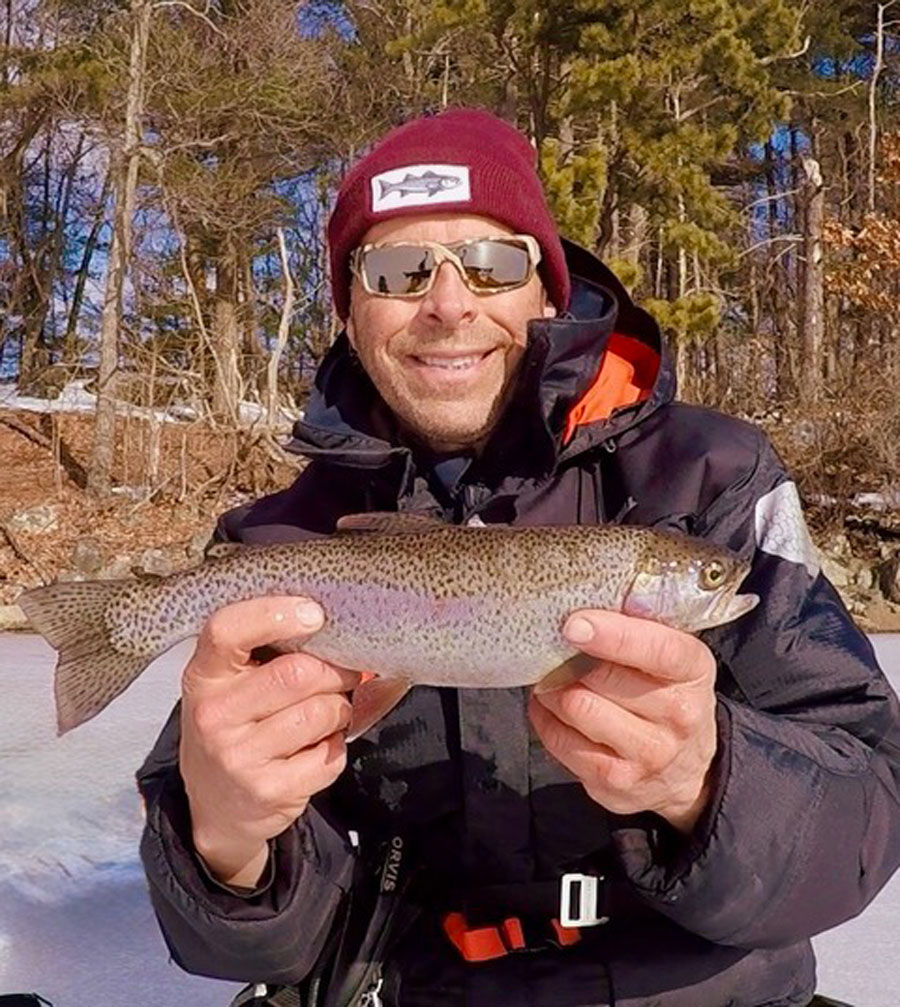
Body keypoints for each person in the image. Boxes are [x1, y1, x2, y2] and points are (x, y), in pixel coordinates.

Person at [136, 108, 900, 1007]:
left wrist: (707, 776)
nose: (449, 303)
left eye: (493, 263)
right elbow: (245, 946)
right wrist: (226, 840)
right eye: (397, 270)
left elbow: (873, 807)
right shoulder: (278, 546)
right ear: (348, 308)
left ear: (546, 290)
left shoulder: (712, 480)